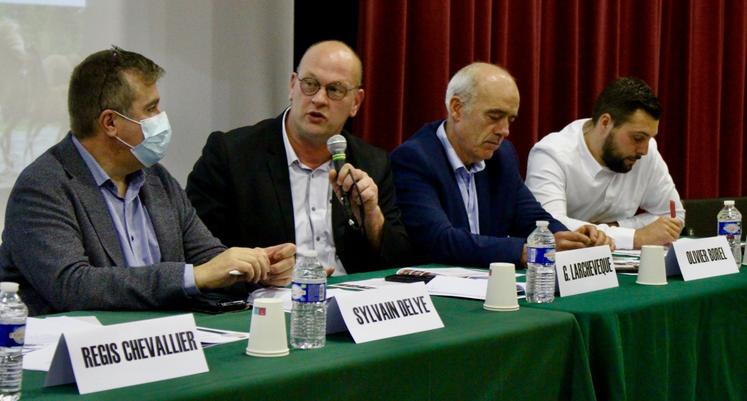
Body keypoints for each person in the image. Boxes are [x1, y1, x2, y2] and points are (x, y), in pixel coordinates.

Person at [0, 47, 295, 316]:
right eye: (151, 109)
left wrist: (256, 267)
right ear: (110, 123)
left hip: (160, 345)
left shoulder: (156, 178)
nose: (161, 118)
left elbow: (206, 256)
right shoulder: (43, 186)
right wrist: (194, 276)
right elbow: (73, 286)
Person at [186, 40, 411, 275]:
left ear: (355, 102)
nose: (319, 99)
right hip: (265, 300)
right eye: (310, 84)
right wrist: (260, 274)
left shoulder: (372, 163)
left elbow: (399, 263)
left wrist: (372, 217)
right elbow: (199, 254)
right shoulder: (231, 154)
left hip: (347, 298)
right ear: (293, 86)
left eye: (335, 89)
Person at [390, 62, 612, 267]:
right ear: (456, 109)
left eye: (510, 120)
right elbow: (438, 241)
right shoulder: (415, 159)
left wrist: (576, 240)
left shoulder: (502, 156)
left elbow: (532, 219)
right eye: (494, 116)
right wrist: (524, 252)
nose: (504, 131)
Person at [525, 77, 684, 250]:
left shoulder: (647, 152)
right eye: (638, 138)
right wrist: (635, 237)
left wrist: (616, 226)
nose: (644, 150)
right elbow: (547, 226)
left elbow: (674, 216)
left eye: (649, 138)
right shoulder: (551, 154)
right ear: (605, 123)